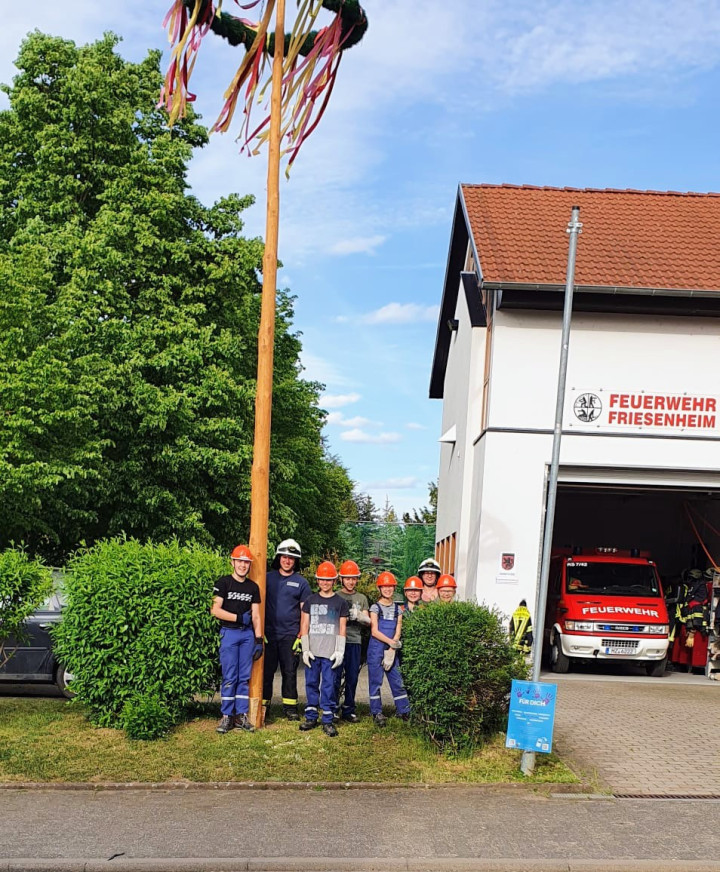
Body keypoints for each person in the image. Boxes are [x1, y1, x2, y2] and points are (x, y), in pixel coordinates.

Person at [211, 544, 263, 734]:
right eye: (239, 561)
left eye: (246, 562)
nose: (242, 565)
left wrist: (258, 639)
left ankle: (241, 716)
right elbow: (215, 610)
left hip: (247, 635)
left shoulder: (252, 587)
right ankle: (226, 716)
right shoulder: (224, 583)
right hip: (230, 632)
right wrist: (238, 618)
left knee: (243, 677)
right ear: (233, 562)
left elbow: (256, 615)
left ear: (249, 565)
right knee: (229, 677)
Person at [262, 538, 311, 721]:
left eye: (291, 558)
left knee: (289, 672)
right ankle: (263, 706)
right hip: (268, 635)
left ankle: (290, 708)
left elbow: (305, 611)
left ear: (295, 561)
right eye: (284, 557)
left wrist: (301, 635)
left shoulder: (301, 583)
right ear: (279, 558)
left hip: (291, 635)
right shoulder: (266, 578)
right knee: (266, 672)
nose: (287, 560)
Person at [299, 561, 348, 736]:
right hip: (312, 652)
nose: (325, 583)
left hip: (330, 654)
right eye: (322, 579)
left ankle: (327, 720)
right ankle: (311, 716)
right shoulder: (310, 601)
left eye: (328, 580)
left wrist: (339, 650)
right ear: (317, 581)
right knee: (311, 684)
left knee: (328, 685)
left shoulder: (341, 603)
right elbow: (304, 624)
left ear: (334, 581)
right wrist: (305, 649)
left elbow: (342, 628)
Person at [367, 571, 411, 727]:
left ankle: (404, 711)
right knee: (375, 681)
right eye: (384, 587)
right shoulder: (375, 607)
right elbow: (374, 631)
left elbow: (398, 627)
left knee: (397, 681)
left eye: (390, 587)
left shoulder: (398, 609)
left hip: (391, 649)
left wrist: (394, 646)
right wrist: (390, 643)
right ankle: (376, 712)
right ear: (380, 588)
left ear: (394, 588)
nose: (387, 589)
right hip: (376, 649)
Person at [333, 559, 370, 723]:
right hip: (337, 641)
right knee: (334, 675)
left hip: (355, 641)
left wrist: (360, 616)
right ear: (341, 579)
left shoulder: (361, 598)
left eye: (354, 578)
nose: (351, 581)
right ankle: (332, 707)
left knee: (352, 677)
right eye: (347, 578)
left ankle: (349, 709)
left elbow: (368, 620)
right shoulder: (336, 596)